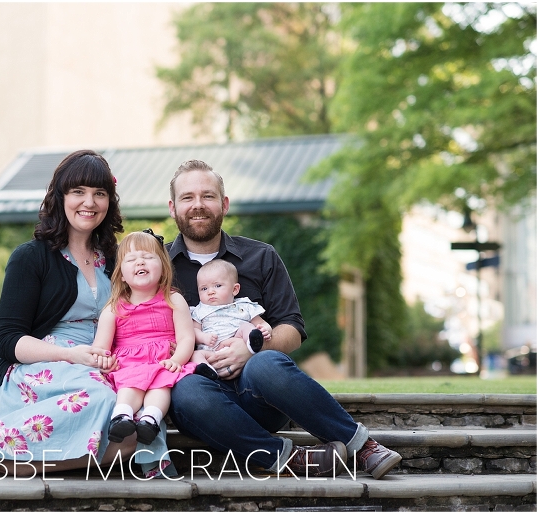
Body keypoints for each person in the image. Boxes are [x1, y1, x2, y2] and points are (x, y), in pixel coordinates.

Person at [165, 159, 403, 479]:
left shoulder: (260, 256)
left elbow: (292, 327)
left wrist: (251, 348)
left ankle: (362, 447)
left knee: (266, 363)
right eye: (187, 197)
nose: (198, 205)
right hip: (202, 404)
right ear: (172, 207)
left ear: (224, 204)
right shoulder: (159, 267)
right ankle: (289, 459)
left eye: (207, 196)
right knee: (185, 389)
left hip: (259, 394)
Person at [0, 149, 135, 479]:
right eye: (78, 192)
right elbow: (8, 341)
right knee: (101, 399)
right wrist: (71, 355)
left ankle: (4, 461)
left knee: (130, 438)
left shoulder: (116, 259)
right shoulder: (30, 258)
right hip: (43, 367)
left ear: (110, 201)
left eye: (99, 193)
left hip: (105, 365)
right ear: (60, 196)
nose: (89, 202)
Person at [92, 230, 196, 446]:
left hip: (163, 360)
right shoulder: (114, 308)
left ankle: (151, 419)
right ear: (121, 274)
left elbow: (187, 337)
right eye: (131, 259)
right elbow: (100, 346)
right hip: (129, 363)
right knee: (130, 384)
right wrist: (104, 360)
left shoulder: (173, 299)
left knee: (161, 386)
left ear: (163, 267)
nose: (140, 262)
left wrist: (176, 360)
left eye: (148, 257)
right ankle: (121, 416)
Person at [189, 258, 271, 380]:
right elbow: (193, 332)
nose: (210, 292)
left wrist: (265, 330)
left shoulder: (244, 306)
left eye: (217, 286)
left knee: (247, 327)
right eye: (204, 288)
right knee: (195, 355)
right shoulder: (199, 310)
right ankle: (207, 370)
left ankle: (253, 343)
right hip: (212, 353)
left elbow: (261, 323)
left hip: (239, 346)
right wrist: (203, 337)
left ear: (235, 289)